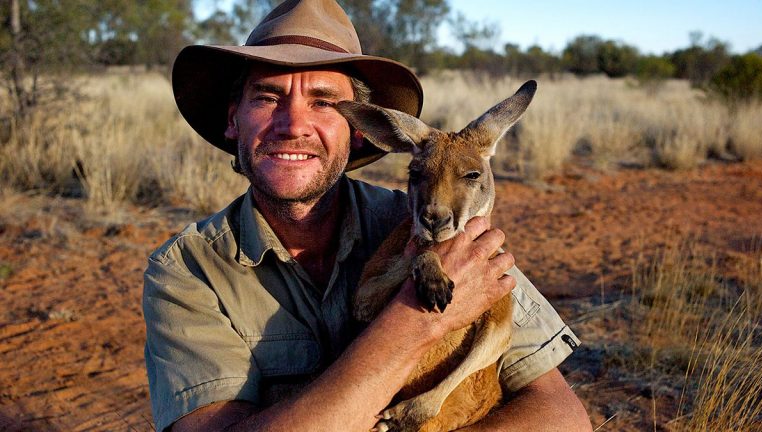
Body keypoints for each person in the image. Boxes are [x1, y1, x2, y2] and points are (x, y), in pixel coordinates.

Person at [143, 0, 591, 431]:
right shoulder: (188, 272)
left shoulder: (425, 225)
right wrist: (420, 319)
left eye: (322, 102)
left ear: (360, 133)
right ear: (233, 120)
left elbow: (562, 417)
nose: (293, 125)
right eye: (267, 97)